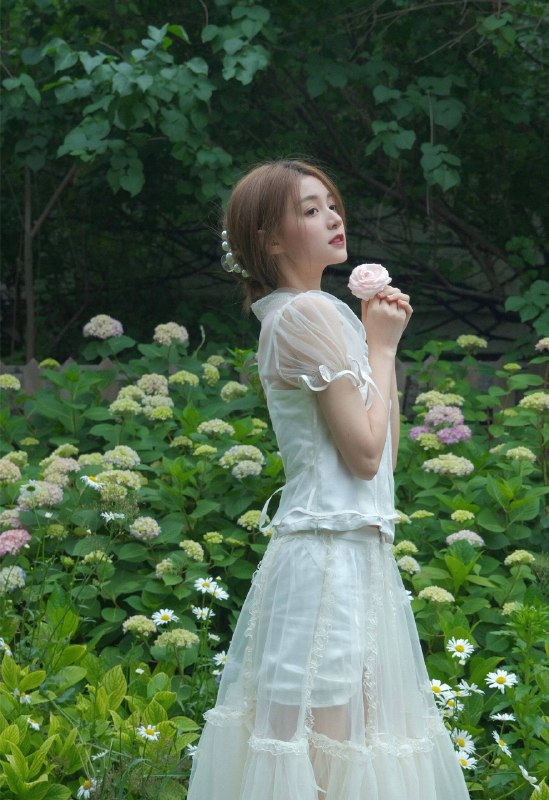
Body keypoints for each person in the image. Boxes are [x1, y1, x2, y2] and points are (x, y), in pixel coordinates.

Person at [187, 159, 470, 799]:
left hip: (348, 555)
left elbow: (382, 459)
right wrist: (383, 347)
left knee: (340, 756)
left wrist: (378, 346)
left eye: (331, 204)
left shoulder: (316, 312)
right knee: (326, 759)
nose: (332, 217)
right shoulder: (306, 315)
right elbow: (366, 456)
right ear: (270, 239)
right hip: (326, 563)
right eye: (309, 210)